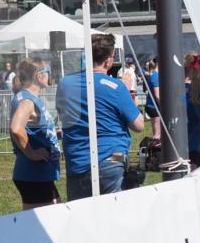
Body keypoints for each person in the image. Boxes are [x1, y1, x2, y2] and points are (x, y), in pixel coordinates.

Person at [56, 33, 144, 200]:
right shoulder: (116, 87)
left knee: (81, 219)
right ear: (109, 60)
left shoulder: (65, 83)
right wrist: (129, 91)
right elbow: (138, 125)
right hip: (111, 160)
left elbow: (62, 112)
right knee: (113, 217)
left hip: (76, 161)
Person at [9, 58, 61, 209]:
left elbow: (30, 128)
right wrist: (31, 153)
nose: (50, 76)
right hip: (33, 173)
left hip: (38, 173)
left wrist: (53, 133)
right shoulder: (27, 100)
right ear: (39, 76)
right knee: (44, 223)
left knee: (55, 213)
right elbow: (16, 128)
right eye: (48, 72)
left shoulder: (27, 97)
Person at [144, 58, 161, 140]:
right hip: (154, 107)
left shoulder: (154, 74)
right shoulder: (155, 75)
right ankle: (155, 152)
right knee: (157, 135)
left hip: (152, 106)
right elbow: (157, 95)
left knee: (157, 133)